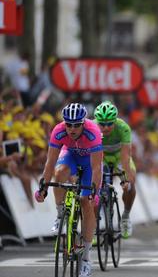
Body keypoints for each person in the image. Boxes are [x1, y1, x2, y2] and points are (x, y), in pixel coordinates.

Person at [34, 103, 102, 277]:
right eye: (68, 124)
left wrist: (94, 191)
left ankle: (86, 259)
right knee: (60, 172)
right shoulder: (58, 130)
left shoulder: (93, 132)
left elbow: (96, 168)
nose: (72, 129)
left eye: (76, 124)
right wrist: (43, 187)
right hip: (70, 156)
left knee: (86, 203)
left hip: (88, 163)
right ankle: (60, 213)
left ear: (83, 123)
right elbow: (50, 162)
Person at [93, 101, 136, 238]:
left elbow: (125, 157)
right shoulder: (92, 127)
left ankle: (125, 216)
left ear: (115, 121)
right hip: (101, 157)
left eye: (109, 123)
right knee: (93, 187)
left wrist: (126, 179)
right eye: (102, 124)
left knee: (131, 184)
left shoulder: (123, 128)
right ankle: (93, 225)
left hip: (119, 157)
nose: (105, 127)